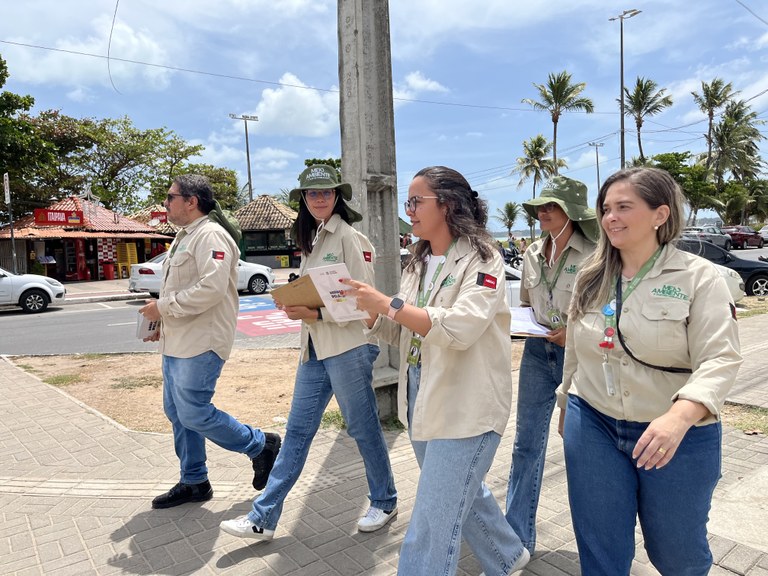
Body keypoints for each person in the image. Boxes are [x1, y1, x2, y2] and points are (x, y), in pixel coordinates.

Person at [342, 166, 529, 575]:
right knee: (462, 493)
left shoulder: (483, 258)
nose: (408, 210)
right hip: (421, 399)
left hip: (466, 408)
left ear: (447, 204)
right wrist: (371, 314)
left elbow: (459, 329)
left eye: (415, 201)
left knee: (431, 523)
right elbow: (406, 331)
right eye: (407, 202)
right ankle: (508, 556)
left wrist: (388, 304)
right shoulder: (418, 261)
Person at [558, 167, 742, 575]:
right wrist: (565, 404)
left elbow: (721, 358)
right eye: (606, 209)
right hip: (594, 425)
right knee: (600, 549)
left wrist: (679, 417)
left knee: (678, 554)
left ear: (660, 215)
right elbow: (576, 349)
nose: (611, 218)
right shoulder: (591, 276)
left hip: (676, 434)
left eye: (624, 207)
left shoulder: (700, 277)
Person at [220, 164, 397, 540]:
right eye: (312, 194)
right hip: (315, 348)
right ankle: (262, 517)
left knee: (363, 429)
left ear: (337, 197)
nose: (319, 199)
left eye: (326, 193)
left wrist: (314, 311)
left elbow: (366, 305)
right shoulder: (313, 239)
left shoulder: (350, 238)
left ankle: (384, 499)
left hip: (349, 347)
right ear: (303, 200)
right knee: (298, 431)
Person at [139, 174, 281, 509]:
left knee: (194, 413)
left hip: (201, 342)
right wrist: (162, 320)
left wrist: (162, 306)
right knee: (177, 413)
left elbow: (211, 288)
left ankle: (260, 445)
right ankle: (194, 481)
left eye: (170, 197)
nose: (166, 203)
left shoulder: (211, 235)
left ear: (191, 201)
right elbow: (180, 287)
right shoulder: (184, 238)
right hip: (177, 340)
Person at [504, 176, 598, 554]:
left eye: (551, 206)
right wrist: (522, 325)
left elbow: (605, 311)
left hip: (580, 359)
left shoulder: (595, 253)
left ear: (572, 212)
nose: (542, 212)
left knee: (582, 446)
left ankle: (596, 542)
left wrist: (571, 335)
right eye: (540, 207)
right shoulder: (530, 254)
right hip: (537, 354)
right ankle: (516, 539)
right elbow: (527, 304)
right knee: (526, 443)